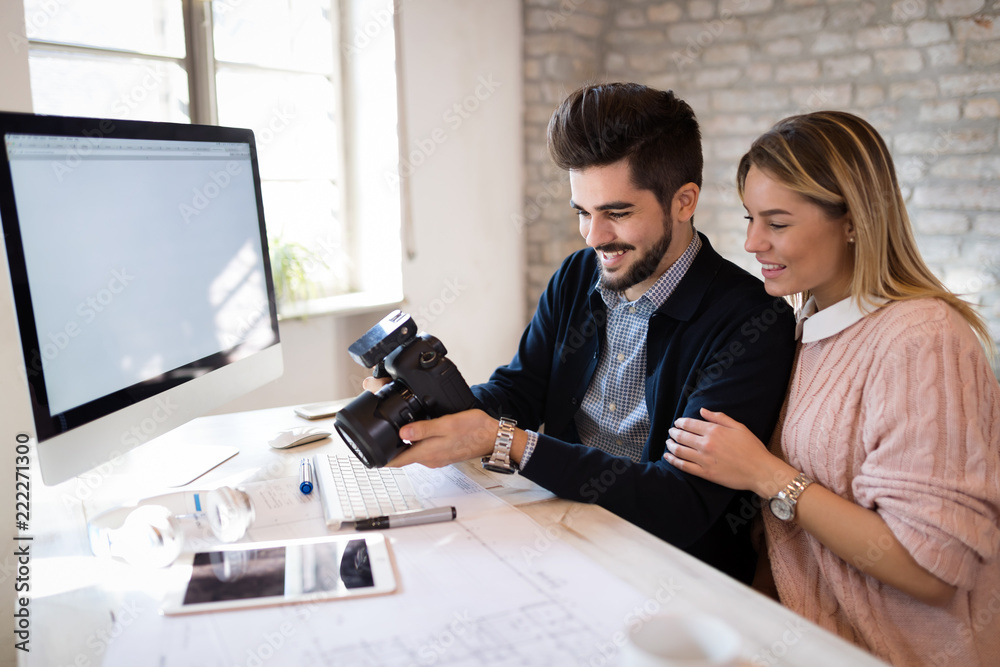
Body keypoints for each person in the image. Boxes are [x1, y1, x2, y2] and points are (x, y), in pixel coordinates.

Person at [369, 82, 797, 583]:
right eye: (583, 213)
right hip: (561, 533)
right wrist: (428, 403)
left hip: (672, 576)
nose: (595, 238)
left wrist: (505, 442)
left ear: (684, 202)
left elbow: (681, 503)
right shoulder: (577, 276)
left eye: (617, 214)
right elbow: (520, 390)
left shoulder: (751, 321)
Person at [664, 110, 1000, 665]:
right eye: (750, 217)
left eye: (777, 223)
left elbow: (933, 569)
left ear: (852, 221)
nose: (751, 242)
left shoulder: (922, 339)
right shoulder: (803, 327)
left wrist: (765, 474)